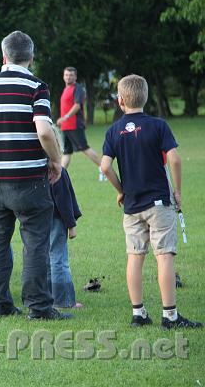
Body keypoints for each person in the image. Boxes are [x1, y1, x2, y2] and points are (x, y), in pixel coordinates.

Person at [0, 30, 69, 320]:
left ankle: (0, 304)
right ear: (31, 57)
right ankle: (39, 307)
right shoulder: (36, 86)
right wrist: (56, 161)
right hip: (29, 177)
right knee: (35, 241)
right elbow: (43, 131)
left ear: (3, 56)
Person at [100, 74, 201, 329]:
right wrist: (177, 192)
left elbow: (105, 166)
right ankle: (170, 317)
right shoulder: (159, 125)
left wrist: (120, 190)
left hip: (132, 207)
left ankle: (139, 314)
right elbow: (175, 160)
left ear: (120, 100)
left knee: (135, 256)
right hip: (159, 203)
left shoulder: (113, 131)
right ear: (146, 98)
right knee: (164, 256)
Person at [55, 67, 104, 179]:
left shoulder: (78, 89)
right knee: (67, 152)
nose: (68, 77)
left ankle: (103, 168)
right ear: (63, 76)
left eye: (71, 75)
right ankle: (61, 176)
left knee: (84, 148)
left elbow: (77, 105)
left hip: (74, 125)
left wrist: (65, 117)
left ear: (75, 77)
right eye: (66, 75)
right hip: (65, 127)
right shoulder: (65, 89)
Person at [48, 165, 83, 309]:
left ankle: (45, 298)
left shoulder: (33, 167)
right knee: (59, 260)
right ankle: (64, 301)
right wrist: (71, 225)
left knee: (43, 258)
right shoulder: (56, 171)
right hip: (56, 219)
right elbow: (64, 200)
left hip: (37, 221)